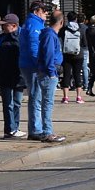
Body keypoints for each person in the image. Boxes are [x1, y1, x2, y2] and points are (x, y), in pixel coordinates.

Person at [0, 13, 26, 138]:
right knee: (8, 104)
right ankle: (10, 129)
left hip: (19, 76)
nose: (3, 27)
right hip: (5, 75)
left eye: (5, 25)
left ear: (14, 26)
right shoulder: (0, 38)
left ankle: (15, 127)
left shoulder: (23, 37)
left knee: (17, 103)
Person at [19, 0, 48, 140]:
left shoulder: (30, 23)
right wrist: (39, 64)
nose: (46, 13)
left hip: (28, 63)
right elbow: (34, 47)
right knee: (36, 97)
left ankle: (36, 128)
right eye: (44, 11)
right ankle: (36, 130)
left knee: (36, 96)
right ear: (37, 11)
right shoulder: (34, 24)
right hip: (32, 66)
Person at [36, 10, 66, 143]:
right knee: (47, 103)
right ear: (61, 22)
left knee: (47, 103)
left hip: (48, 72)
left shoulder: (49, 34)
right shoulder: (50, 35)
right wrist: (52, 73)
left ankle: (47, 131)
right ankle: (47, 132)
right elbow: (48, 55)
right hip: (48, 73)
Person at [59, 11, 85, 104]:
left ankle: (65, 97)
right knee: (77, 75)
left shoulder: (63, 29)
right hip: (78, 55)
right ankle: (78, 97)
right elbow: (84, 43)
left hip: (66, 55)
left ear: (67, 19)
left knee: (66, 75)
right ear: (76, 19)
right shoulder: (80, 29)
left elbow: (60, 40)